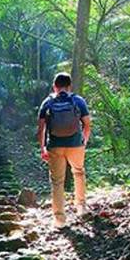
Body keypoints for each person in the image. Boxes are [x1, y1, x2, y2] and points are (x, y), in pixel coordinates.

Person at [37, 71, 91, 230]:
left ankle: (59, 219)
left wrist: (42, 148)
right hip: (76, 144)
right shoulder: (78, 101)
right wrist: (83, 142)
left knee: (57, 182)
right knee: (79, 172)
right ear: (69, 86)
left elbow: (41, 129)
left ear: (54, 86)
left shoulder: (47, 102)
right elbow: (87, 124)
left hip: (55, 146)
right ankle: (81, 207)